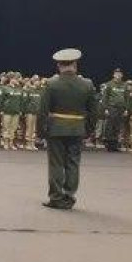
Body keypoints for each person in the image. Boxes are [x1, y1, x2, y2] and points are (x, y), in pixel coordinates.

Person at [39, 49, 97, 210]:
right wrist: (88, 130)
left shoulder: (51, 84)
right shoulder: (87, 84)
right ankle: (69, 196)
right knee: (73, 163)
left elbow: (43, 110)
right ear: (75, 65)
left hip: (56, 128)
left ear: (59, 65)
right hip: (77, 128)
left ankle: (56, 197)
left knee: (56, 164)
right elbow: (93, 111)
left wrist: (41, 131)